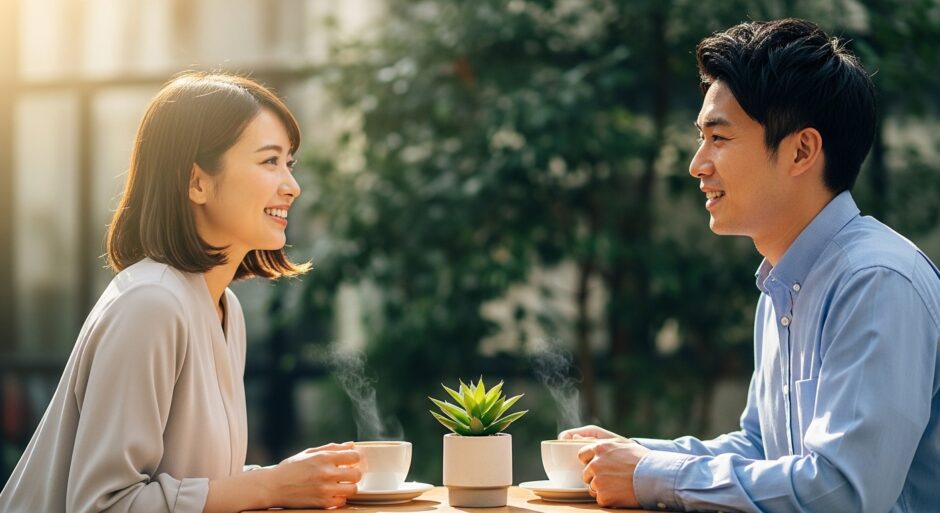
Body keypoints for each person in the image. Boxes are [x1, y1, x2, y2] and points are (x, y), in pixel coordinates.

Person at [562, 18, 940, 512]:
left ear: (802, 150)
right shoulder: (786, 284)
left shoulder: (875, 281)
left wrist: (651, 474)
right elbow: (761, 450)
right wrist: (631, 455)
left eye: (719, 138)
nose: (697, 164)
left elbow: (843, 491)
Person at [0, 72, 361, 512]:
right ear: (197, 182)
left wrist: (284, 480)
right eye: (270, 161)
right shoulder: (149, 304)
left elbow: (190, 484)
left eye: (290, 163)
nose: (291, 185)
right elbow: (104, 504)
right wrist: (269, 488)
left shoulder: (223, 307)